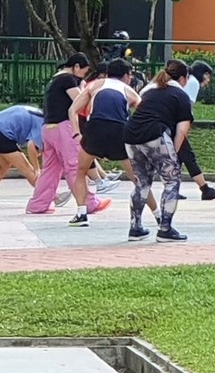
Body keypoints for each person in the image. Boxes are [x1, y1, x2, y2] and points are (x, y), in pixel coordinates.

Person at [124, 60, 198, 241]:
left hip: (130, 135)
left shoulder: (148, 90)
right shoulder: (181, 95)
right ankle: (165, 229)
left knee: (141, 182)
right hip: (155, 134)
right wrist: (174, 155)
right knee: (172, 180)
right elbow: (182, 130)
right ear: (182, 78)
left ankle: (135, 227)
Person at [30, 54, 103, 220]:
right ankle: (89, 203)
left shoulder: (54, 80)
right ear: (76, 67)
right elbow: (81, 102)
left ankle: (39, 204)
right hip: (63, 127)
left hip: (47, 128)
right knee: (74, 165)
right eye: (84, 72)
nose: (83, 76)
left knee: (50, 168)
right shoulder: (68, 80)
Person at [72, 59, 142, 199]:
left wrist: (77, 133)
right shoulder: (129, 91)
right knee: (137, 178)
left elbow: (72, 110)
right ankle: (156, 213)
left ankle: (81, 212)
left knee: (80, 172)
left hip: (95, 127)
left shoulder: (94, 85)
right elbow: (144, 115)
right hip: (118, 129)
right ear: (126, 76)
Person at [171, 60, 215, 202]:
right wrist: (185, 126)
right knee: (188, 157)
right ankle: (204, 189)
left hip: (172, 123)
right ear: (204, 74)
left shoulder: (189, 81)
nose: (208, 80)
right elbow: (186, 106)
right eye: (208, 76)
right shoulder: (193, 82)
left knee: (179, 158)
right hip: (177, 125)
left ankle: (173, 189)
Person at [0, 104, 45, 207]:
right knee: (28, 170)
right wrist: (37, 168)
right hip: (2, 133)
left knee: (3, 166)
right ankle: (52, 197)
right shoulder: (42, 122)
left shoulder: (35, 112)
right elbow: (31, 146)